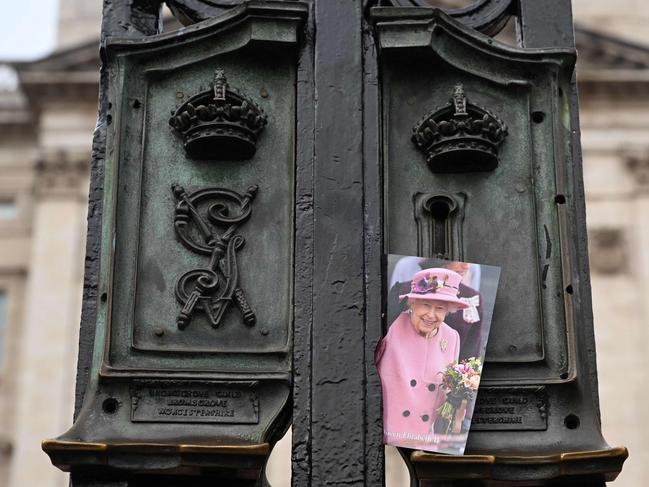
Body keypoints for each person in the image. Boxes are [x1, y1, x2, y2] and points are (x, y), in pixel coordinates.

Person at [376, 268, 469, 449]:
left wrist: (456, 399)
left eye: (440, 308)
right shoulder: (391, 326)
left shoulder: (451, 338)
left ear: (448, 310)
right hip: (387, 438)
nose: (431, 315)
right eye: (426, 305)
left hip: (425, 442)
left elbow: (448, 388)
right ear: (412, 303)